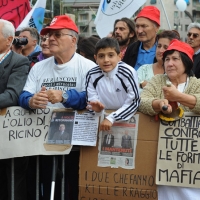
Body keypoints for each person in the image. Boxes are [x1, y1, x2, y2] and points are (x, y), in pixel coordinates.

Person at [19, 15, 96, 200]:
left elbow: (93, 98)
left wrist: (66, 96)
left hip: (76, 145)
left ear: (73, 40)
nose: (50, 39)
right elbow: (23, 95)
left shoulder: (88, 67)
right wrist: (31, 101)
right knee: (48, 187)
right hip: (45, 141)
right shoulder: (38, 67)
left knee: (74, 187)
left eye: (57, 34)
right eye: (48, 35)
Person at [139, 39, 200, 200]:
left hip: (190, 160)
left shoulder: (196, 84)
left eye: (175, 59)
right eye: (167, 59)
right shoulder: (157, 81)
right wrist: (158, 103)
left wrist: (179, 97)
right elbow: (142, 101)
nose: (170, 63)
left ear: (186, 63)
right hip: (163, 156)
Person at [0, 19, 30, 200]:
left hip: (8, 135)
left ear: (9, 40)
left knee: (10, 183)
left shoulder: (20, 62)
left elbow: (12, 95)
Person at [86, 37, 140, 131]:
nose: (106, 60)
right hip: (102, 121)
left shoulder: (128, 72)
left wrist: (112, 118)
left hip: (126, 118)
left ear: (119, 56)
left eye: (111, 55)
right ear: (96, 58)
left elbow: (134, 102)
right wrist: (97, 110)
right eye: (101, 56)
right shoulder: (91, 75)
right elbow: (91, 101)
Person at [123, 6, 160, 70]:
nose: (139, 31)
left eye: (144, 26)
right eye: (137, 26)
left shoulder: (164, 51)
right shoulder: (131, 49)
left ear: (156, 28)